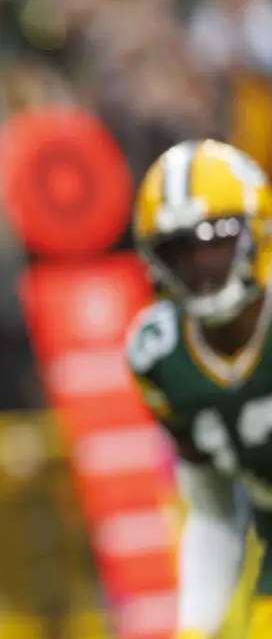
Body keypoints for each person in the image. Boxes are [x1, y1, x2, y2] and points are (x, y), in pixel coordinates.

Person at [127, 139, 272, 639]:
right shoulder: (160, 355)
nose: (202, 264)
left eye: (218, 239)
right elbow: (212, 511)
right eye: (181, 249)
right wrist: (192, 630)